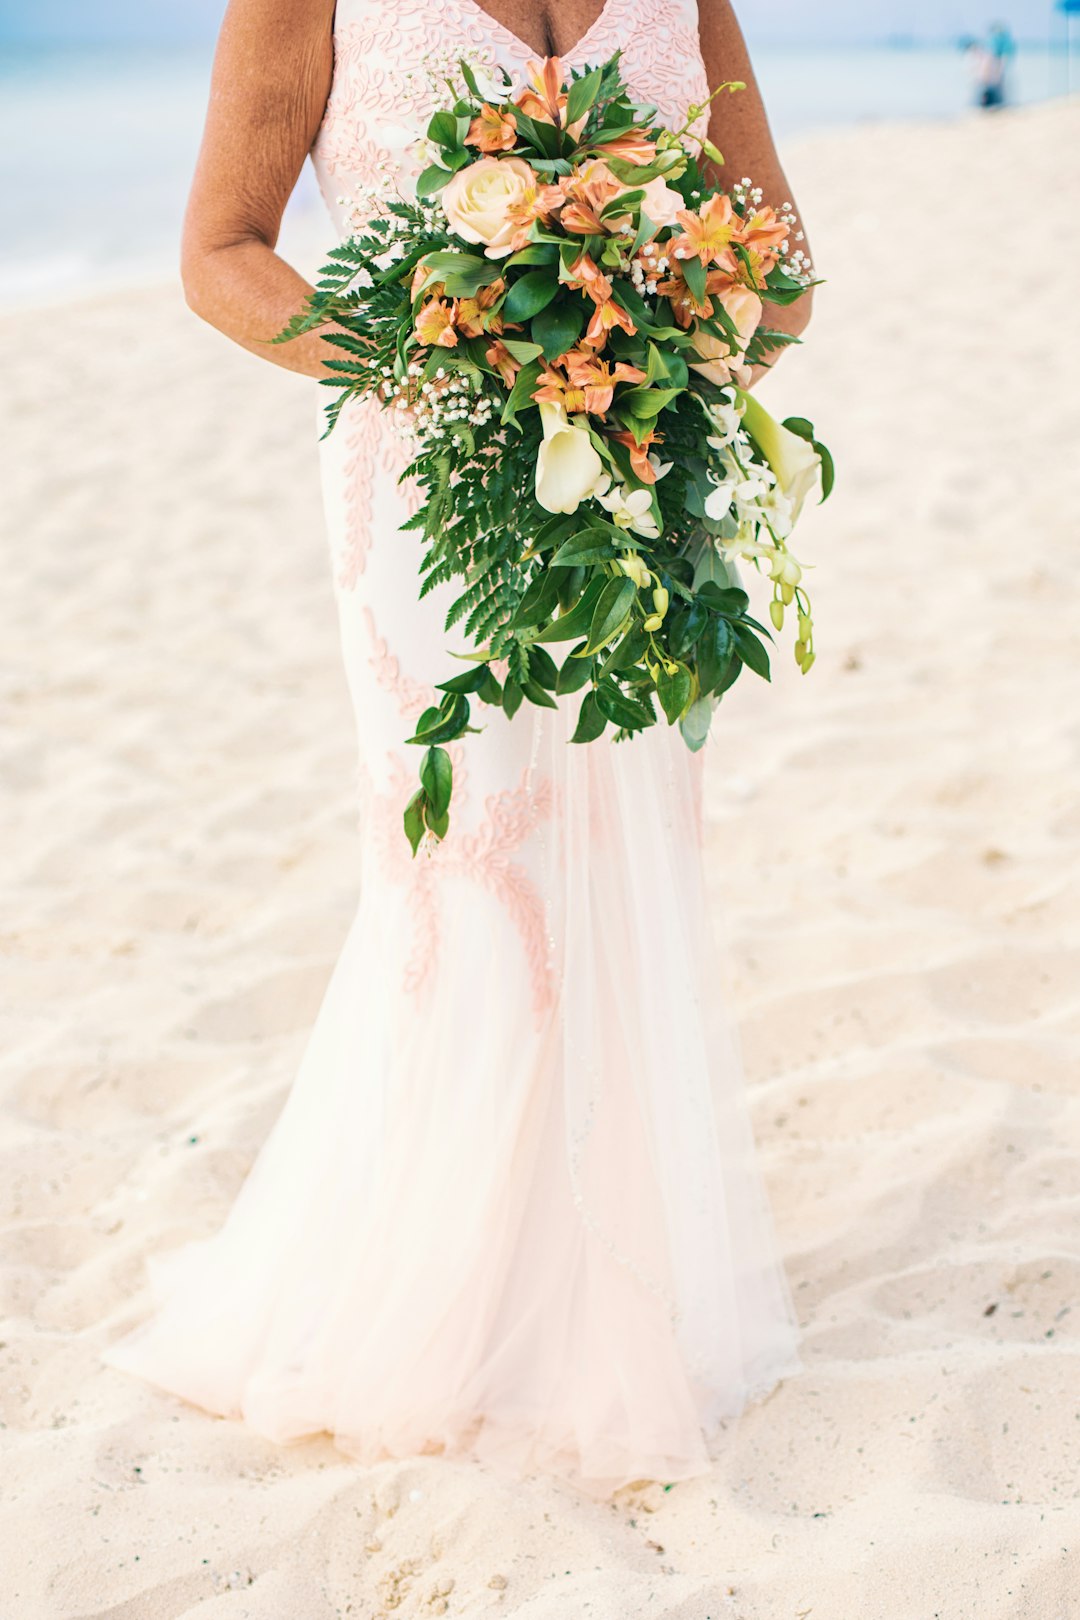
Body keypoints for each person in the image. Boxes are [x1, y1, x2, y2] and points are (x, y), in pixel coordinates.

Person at [102, 0, 813, 1499]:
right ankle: (447, 1296)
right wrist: (433, 354)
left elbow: (786, 274)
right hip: (426, 492)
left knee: (623, 853)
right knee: (470, 862)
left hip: (637, 484)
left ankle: (611, 1289)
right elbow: (219, 250)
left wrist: (665, 318)